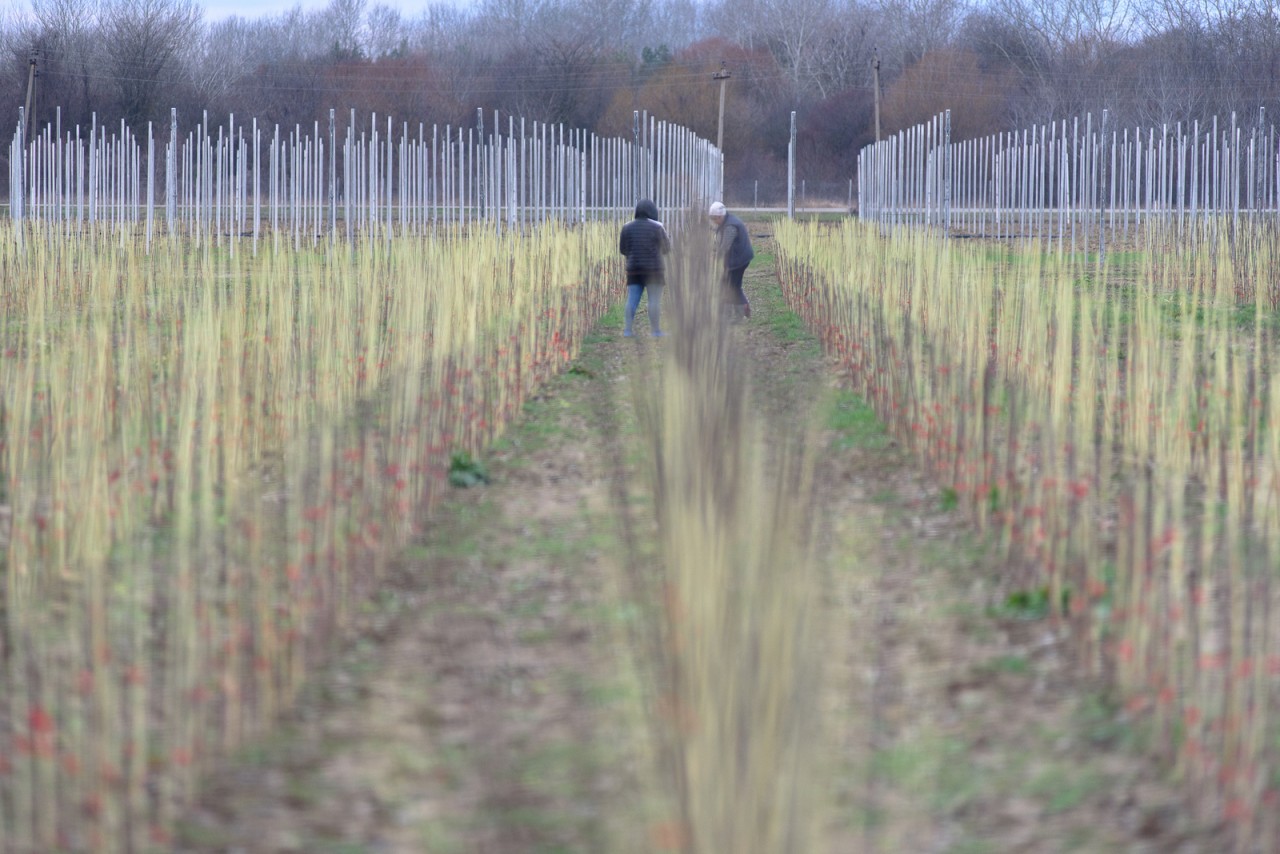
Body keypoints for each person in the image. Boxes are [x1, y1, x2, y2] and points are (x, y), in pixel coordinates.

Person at [618, 199, 671, 337]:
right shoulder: (658, 227)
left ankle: (628, 330)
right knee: (654, 300)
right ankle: (655, 331)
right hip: (654, 270)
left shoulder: (626, 227)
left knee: (632, 299)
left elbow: (623, 249)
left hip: (634, 270)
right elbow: (666, 248)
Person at [708, 201, 754, 321]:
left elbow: (725, 246)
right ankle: (743, 309)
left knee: (731, 287)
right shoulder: (726, 221)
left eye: (715, 219)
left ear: (720, 216)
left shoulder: (730, 226)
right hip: (737, 258)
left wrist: (715, 257)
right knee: (733, 285)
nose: (714, 222)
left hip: (739, 260)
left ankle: (735, 316)